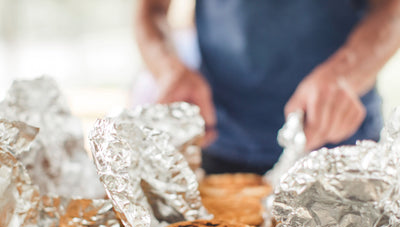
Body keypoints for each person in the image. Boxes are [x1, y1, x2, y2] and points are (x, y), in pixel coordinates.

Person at [134, 0, 400, 175]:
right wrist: (170, 68)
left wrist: (346, 72)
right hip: (221, 139)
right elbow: (151, 8)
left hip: (341, 142)